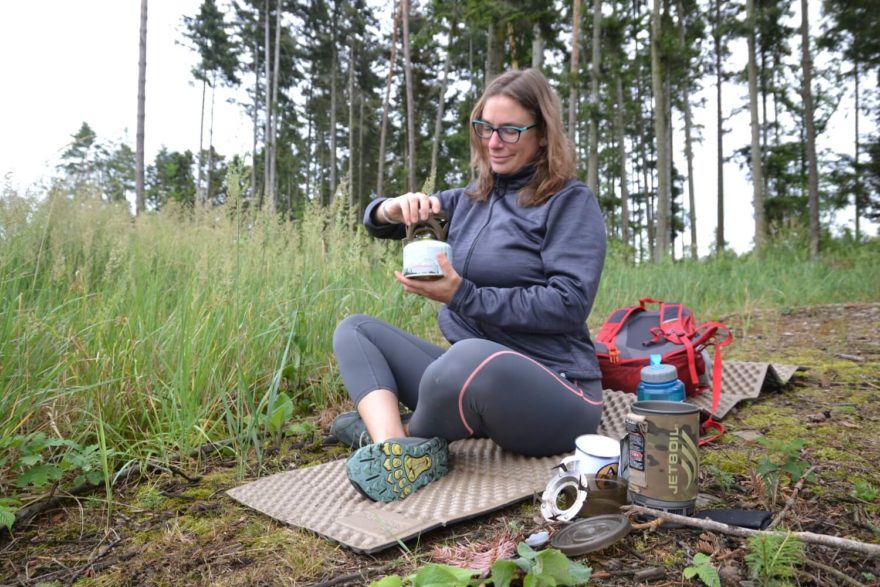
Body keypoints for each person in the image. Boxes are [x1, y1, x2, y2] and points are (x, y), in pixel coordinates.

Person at [332, 68, 607, 503]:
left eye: (510, 131)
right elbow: (378, 223)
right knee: (357, 330)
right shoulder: (469, 200)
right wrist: (391, 207)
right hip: (468, 377)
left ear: (542, 134)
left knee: (467, 360)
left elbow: (568, 304)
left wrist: (463, 296)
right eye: (484, 128)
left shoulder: (570, 202)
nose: (493, 142)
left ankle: (406, 433)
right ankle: (393, 449)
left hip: (557, 390)